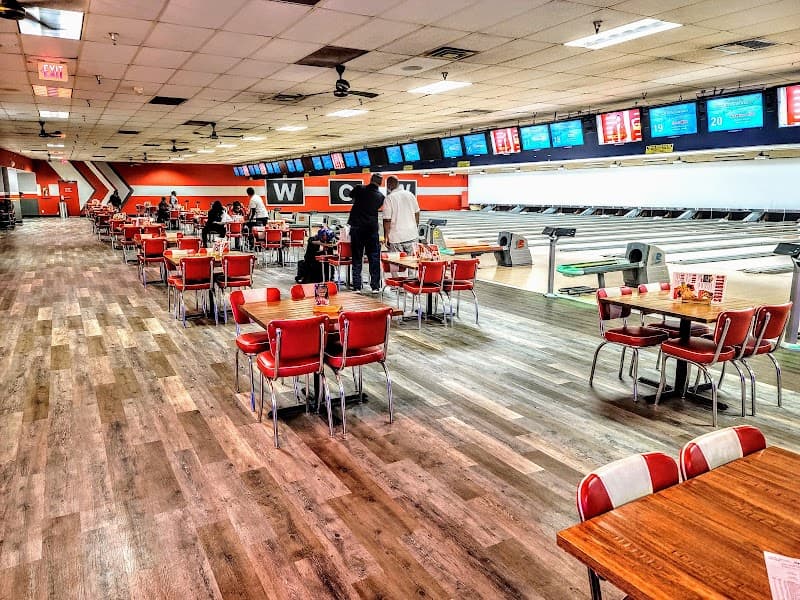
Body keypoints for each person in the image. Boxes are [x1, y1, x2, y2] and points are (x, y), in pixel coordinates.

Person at [347, 173, 384, 292]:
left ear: (370, 179)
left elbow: (350, 195)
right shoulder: (381, 196)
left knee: (357, 257)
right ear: (380, 183)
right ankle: (375, 286)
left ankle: (357, 286)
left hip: (357, 228)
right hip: (371, 229)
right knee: (374, 257)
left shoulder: (359, 189)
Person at [383, 175, 420, 264]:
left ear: (388, 185)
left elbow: (387, 220)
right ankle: (412, 278)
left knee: (397, 265)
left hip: (396, 237)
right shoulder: (410, 194)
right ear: (398, 184)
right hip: (412, 235)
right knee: (413, 264)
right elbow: (417, 213)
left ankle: (399, 278)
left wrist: (386, 236)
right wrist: (415, 227)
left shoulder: (389, 198)